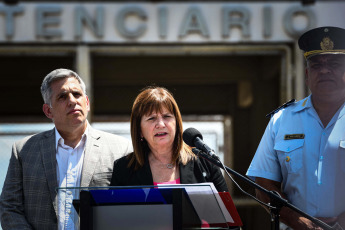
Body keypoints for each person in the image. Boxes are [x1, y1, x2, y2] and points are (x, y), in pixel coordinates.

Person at [0, 68, 132, 230]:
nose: (72, 101)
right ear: (48, 111)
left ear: (87, 103)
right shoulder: (23, 150)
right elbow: (9, 208)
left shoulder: (120, 148)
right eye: (62, 96)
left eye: (77, 94)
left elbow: (130, 208)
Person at [246, 26, 345, 230]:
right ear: (307, 74)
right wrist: (296, 220)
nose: (324, 70)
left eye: (334, 64)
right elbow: (263, 184)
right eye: (317, 65)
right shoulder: (282, 120)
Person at [110, 86, 228, 192]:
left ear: (176, 123)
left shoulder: (205, 162)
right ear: (139, 130)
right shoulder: (123, 169)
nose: (161, 124)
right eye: (151, 118)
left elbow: (226, 212)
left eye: (167, 116)